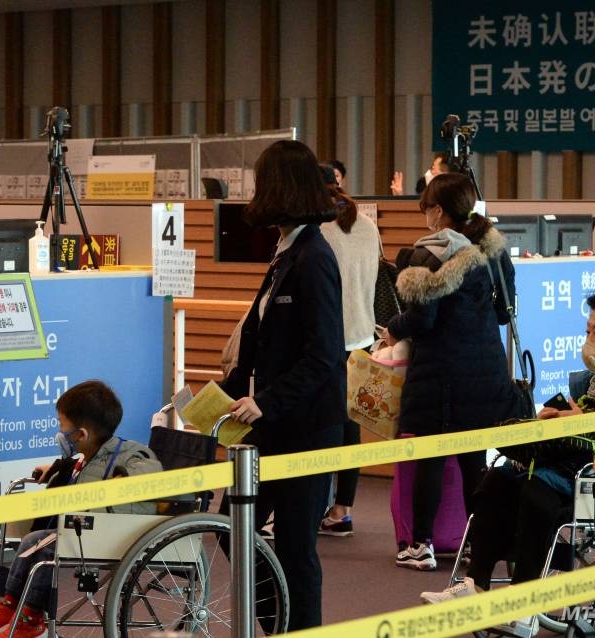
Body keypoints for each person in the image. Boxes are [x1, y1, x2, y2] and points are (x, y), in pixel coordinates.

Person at [421, 292, 595, 637]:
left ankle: (524, 603)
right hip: (570, 463)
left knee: (536, 489)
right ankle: (475, 584)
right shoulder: (590, 383)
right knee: (498, 479)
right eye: (588, 331)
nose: (589, 341)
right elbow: (573, 423)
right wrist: (551, 420)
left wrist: (587, 420)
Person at [222, 140, 346, 631]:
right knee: (236, 530)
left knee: (296, 548)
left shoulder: (313, 257)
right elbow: (261, 340)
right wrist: (227, 391)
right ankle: (275, 621)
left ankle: (295, 627)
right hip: (272, 425)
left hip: (305, 429)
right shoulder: (286, 252)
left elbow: (323, 355)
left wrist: (267, 402)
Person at [387, 172, 522, 571]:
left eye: (426, 207)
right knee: (473, 461)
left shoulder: (428, 253)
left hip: (439, 373)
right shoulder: (494, 251)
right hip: (485, 372)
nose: (424, 215)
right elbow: (503, 313)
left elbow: (423, 320)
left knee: (430, 455)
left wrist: (393, 328)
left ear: (439, 211)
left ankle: (421, 545)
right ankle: (477, 544)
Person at [0, 380, 163, 638]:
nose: (59, 431)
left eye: (61, 425)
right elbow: (83, 470)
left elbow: (152, 471)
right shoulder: (90, 455)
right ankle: (10, 603)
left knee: (47, 547)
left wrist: (123, 480)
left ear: (81, 435)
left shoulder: (131, 453)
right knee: (33, 539)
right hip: (83, 531)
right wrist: (54, 469)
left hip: (112, 534)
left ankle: (30, 618)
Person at [318, 164, 380, 537]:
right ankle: (343, 509)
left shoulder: (317, 232)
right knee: (349, 425)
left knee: (319, 425)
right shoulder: (367, 226)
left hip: (326, 340)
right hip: (362, 337)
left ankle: (310, 506)